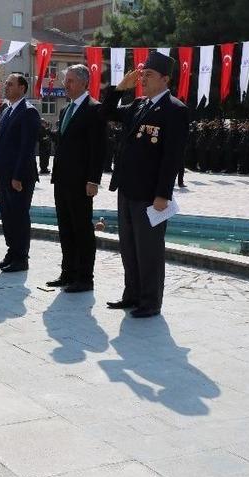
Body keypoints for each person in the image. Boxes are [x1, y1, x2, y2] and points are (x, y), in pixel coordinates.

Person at [100, 51, 189, 318]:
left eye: (149, 75)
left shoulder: (174, 109)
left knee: (149, 249)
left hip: (151, 195)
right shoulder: (139, 104)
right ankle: (132, 295)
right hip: (127, 189)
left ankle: (150, 302)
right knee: (128, 246)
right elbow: (105, 113)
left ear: (165, 79)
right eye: (142, 75)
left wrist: (163, 194)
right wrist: (118, 90)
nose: (143, 80)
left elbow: (172, 156)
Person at [47, 65, 106, 293]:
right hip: (61, 179)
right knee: (65, 228)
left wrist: (93, 180)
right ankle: (67, 272)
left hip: (81, 182)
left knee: (82, 229)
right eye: (66, 80)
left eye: (70, 81)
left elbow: (98, 148)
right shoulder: (65, 110)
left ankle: (84, 278)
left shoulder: (94, 109)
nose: (66, 85)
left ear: (83, 83)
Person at [0, 74, 41, 272]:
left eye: (10, 84)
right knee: (7, 215)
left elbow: (27, 148)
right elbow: (0, 143)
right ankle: (12, 252)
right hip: (4, 174)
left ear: (22, 88)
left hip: (19, 177)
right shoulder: (7, 110)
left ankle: (21, 258)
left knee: (19, 216)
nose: (6, 87)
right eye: (6, 84)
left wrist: (17, 176)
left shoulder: (29, 112)